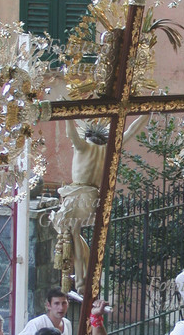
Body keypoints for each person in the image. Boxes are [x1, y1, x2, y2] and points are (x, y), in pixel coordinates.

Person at [51, 116, 146, 292]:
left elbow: (70, 132)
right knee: (74, 234)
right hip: (92, 197)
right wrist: (147, 112)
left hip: (78, 195)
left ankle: (80, 280)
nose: (73, 145)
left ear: (86, 136)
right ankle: (83, 274)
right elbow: (132, 131)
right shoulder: (107, 150)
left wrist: (68, 115)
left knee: (72, 233)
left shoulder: (82, 147)